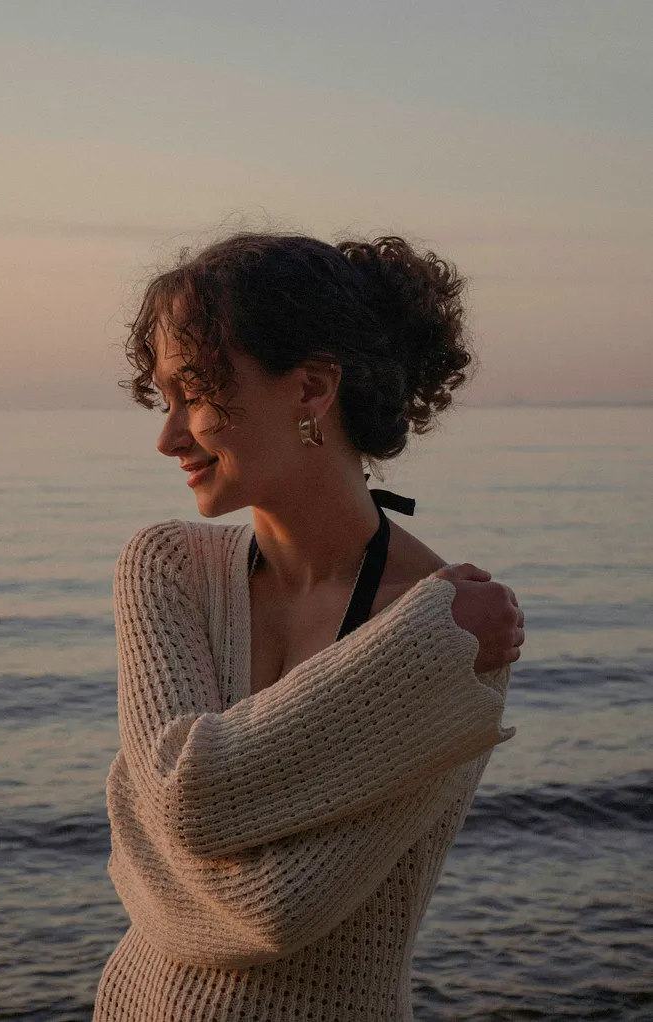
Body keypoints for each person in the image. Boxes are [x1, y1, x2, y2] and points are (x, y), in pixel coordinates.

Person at [93, 233, 522, 1022]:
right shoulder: (167, 566)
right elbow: (167, 818)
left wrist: (150, 826)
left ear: (311, 390)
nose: (169, 435)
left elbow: (274, 909)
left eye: (196, 390)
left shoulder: (455, 635)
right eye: (164, 398)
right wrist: (146, 823)